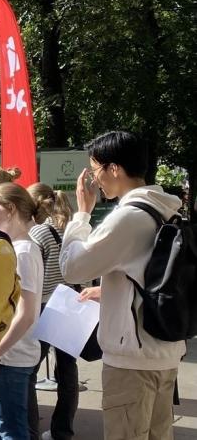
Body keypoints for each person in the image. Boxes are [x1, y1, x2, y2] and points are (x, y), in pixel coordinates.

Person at [59, 131, 185, 440]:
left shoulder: (127, 218)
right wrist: (110, 290)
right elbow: (153, 274)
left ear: (114, 168)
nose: (95, 180)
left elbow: (73, 268)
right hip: (164, 351)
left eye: (96, 169)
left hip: (132, 360)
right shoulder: (167, 210)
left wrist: (83, 213)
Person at [0, 183, 44, 440]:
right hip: (6, 355)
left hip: (11, 357)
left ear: (9, 209)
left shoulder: (24, 251)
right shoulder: (18, 248)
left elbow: (27, 313)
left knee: (9, 430)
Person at [26, 183, 78, 440]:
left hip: (47, 305)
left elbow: (39, 277)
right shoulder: (71, 228)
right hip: (70, 303)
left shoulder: (38, 232)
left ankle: (30, 429)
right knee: (68, 372)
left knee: (28, 372)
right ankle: (62, 431)